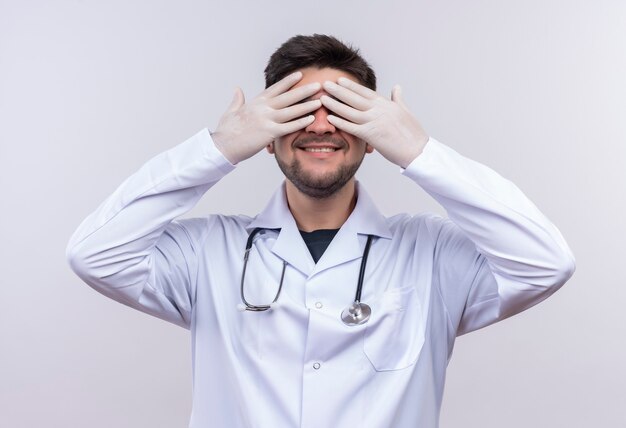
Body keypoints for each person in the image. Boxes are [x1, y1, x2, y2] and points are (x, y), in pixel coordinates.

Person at [66, 34, 575, 428]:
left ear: (374, 138)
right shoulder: (208, 252)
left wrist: (422, 153)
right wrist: (218, 148)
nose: (321, 126)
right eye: (298, 109)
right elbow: (95, 253)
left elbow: (546, 263)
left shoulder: (432, 253)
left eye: (345, 111)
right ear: (266, 137)